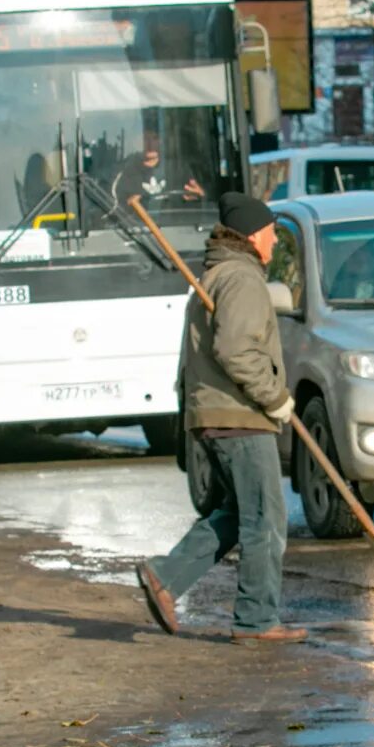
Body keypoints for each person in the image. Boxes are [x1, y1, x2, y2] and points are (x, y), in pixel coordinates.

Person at [135, 192, 305, 645]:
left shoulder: (218, 275)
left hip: (215, 413)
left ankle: (165, 575)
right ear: (252, 235)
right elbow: (235, 350)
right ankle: (256, 621)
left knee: (238, 514)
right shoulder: (242, 279)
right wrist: (275, 398)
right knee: (266, 519)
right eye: (271, 232)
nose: (274, 241)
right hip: (240, 416)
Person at [112, 126, 208, 204]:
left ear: (162, 141)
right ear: (137, 141)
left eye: (155, 138)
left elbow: (199, 201)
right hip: (135, 226)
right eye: (145, 138)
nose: (149, 143)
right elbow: (117, 208)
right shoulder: (125, 173)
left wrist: (201, 196)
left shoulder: (179, 169)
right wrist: (129, 204)